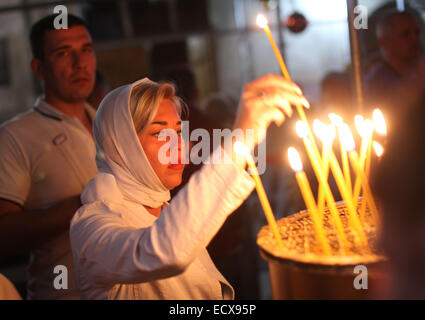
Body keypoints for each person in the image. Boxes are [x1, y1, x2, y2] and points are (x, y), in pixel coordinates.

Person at [70, 75, 308, 299]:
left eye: (177, 131)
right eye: (159, 132)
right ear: (118, 148)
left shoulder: (162, 207)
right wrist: (239, 139)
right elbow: (160, 251)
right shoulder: (91, 227)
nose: (178, 145)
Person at [0, 14, 97, 299]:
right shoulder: (16, 136)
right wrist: (83, 204)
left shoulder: (112, 126)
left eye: (87, 50)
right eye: (63, 52)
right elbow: (2, 234)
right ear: (38, 68)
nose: (80, 63)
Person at [364, 9, 423, 117]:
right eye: (406, 34)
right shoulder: (374, 83)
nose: (414, 39)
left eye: (417, 32)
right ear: (384, 42)